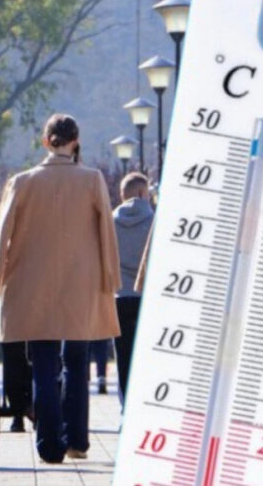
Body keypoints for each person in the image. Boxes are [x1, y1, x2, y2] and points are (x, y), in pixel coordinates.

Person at [0, 113, 121, 463]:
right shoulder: (92, 180)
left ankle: (48, 444)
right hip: (82, 283)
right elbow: (107, 230)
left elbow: (3, 232)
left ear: (45, 141)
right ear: (76, 141)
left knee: (43, 364)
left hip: (32, 283)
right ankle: (77, 440)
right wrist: (110, 279)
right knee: (77, 361)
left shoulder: (23, 181)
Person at [0, 216, 33, 432]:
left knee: (13, 357)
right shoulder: (39, 222)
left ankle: (18, 412)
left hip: (9, 297)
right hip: (30, 299)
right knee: (31, 356)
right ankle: (27, 406)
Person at [111, 172, 153, 404]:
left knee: (123, 356)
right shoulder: (155, 222)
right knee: (146, 356)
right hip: (146, 297)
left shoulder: (111, 221)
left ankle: (126, 405)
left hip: (120, 296)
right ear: (141, 193)